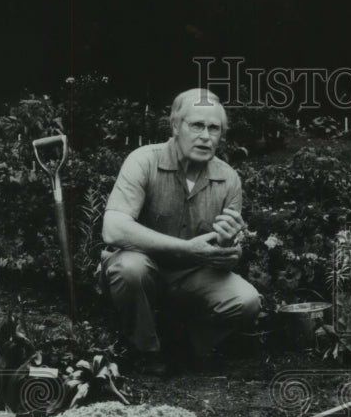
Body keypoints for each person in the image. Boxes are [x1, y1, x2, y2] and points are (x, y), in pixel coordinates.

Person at [101, 88, 261, 376]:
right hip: (142, 267)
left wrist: (229, 249)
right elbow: (113, 229)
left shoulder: (228, 179)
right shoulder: (143, 161)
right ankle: (145, 352)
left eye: (214, 128)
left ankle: (187, 346)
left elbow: (227, 254)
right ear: (175, 126)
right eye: (196, 125)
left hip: (190, 276)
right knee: (129, 268)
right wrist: (188, 249)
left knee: (246, 301)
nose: (205, 135)